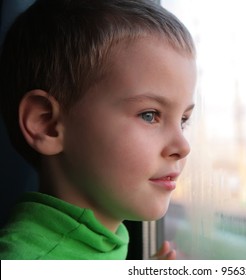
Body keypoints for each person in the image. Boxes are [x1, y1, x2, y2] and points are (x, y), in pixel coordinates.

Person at [0, 0, 196, 260]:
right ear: (47, 124)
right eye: (149, 115)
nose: (183, 147)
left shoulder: (96, 239)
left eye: (183, 120)